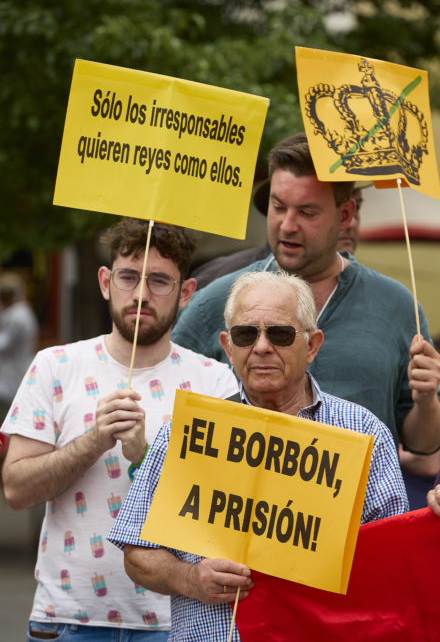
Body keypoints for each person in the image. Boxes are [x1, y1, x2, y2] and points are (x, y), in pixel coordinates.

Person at [108, 271, 408, 642]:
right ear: (228, 346)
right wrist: (189, 578)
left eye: (280, 334)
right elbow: (136, 552)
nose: (262, 347)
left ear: (312, 345)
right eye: (246, 334)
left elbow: (395, 561)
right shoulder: (188, 434)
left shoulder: (363, 434)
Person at [2, 219, 238, 642]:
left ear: (186, 293)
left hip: (174, 622)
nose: (142, 294)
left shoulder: (216, 383)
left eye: (161, 281)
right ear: (106, 282)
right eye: (129, 277)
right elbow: (16, 490)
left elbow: (223, 509)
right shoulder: (54, 365)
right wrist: (94, 441)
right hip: (67, 619)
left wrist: (146, 455)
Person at [172, 133, 440, 454]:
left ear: (344, 215)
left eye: (307, 212)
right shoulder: (215, 300)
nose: (287, 225)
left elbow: (423, 444)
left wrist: (427, 401)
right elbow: (169, 410)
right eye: (278, 207)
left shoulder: (397, 307)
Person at [191, 179, 366, 291]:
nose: (350, 223)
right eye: (308, 210)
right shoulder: (220, 284)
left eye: (355, 208)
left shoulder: (375, 293)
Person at [0, 272, 38, 421]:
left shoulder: (17, 315)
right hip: (13, 374)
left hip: (11, 377)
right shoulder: (21, 312)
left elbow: (3, 345)